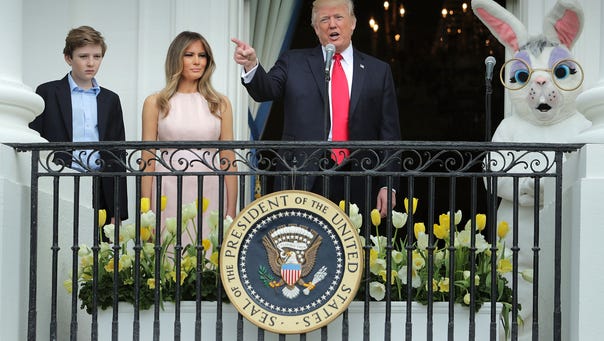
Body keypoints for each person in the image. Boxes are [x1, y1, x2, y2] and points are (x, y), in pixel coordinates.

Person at [232, 0, 401, 217]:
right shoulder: (293, 62)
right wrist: (251, 65)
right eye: (324, 19)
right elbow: (266, 90)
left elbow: (390, 134)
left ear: (353, 23)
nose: (332, 24)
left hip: (357, 178)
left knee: (352, 249)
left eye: (338, 17)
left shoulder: (378, 71)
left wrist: (388, 185)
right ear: (315, 28)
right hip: (302, 176)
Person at [141, 31, 237, 241]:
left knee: (209, 255)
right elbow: (147, 158)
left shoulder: (220, 103)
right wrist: (145, 211)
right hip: (167, 189)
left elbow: (228, 158)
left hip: (211, 189)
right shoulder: (155, 102)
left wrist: (231, 210)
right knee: (167, 255)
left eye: (202, 55)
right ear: (176, 58)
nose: (197, 61)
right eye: (189, 54)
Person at [29, 25, 128, 224]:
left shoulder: (111, 100)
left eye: (97, 56)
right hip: (58, 182)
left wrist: (118, 209)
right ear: (68, 58)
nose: (91, 63)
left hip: (100, 186)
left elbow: (118, 153)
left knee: (99, 251)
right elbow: (34, 142)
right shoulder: (47, 92)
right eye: (83, 56)